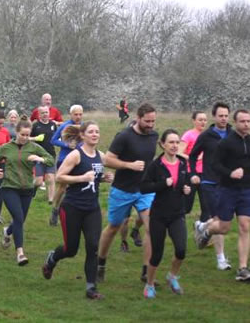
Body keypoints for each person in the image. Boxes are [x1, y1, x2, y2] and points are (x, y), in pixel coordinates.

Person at [42, 122, 113, 300]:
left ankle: (91, 288)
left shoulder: (100, 156)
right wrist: (82, 177)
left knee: (93, 247)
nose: (95, 134)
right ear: (82, 135)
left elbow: (93, 179)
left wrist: (103, 178)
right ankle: (52, 259)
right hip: (72, 208)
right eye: (91, 132)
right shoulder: (76, 155)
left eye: (97, 131)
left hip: (92, 209)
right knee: (71, 249)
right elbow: (59, 177)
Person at [97, 103, 158, 284]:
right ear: (138, 118)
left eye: (153, 121)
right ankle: (100, 263)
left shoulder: (154, 136)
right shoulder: (124, 136)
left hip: (145, 190)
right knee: (113, 227)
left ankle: (146, 271)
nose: (151, 125)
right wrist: (129, 165)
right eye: (147, 121)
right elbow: (108, 160)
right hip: (123, 189)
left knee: (151, 227)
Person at [194, 109, 250, 282]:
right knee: (224, 227)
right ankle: (206, 229)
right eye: (242, 121)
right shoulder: (226, 142)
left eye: (249, 121)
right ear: (236, 122)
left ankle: (242, 268)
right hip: (227, 189)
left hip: (246, 189)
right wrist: (230, 173)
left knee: (245, 226)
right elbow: (214, 165)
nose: (246, 125)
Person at [0, 116, 54, 265]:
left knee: (20, 220)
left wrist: (40, 160)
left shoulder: (34, 147)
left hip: (27, 188)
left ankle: (7, 232)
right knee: (19, 218)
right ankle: (20, 253)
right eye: (22, 135)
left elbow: (51, 159)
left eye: (28, 135)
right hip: (9, 187)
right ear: (17, 132)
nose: (25, 138)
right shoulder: (7, 147)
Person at [140, 129, 193, 298]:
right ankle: (149, 285)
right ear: (162, 144)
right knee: (157, 253)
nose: (174, 145)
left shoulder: (183, 164)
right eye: (171, 142)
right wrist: (163, 183)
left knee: (181, 250)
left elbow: (184, 184)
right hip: (159, 215)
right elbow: (144, 187)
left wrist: (186, 189)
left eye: (177, 142)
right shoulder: (156, 166)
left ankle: (172, 276)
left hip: (177, 213)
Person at [189, 102, 232, 271]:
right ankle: (221, 259)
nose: (223, 118)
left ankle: (202, 226)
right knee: (220, 220)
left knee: (223, 220)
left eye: (226, 116)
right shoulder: (207, 135)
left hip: (229, 183)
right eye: (220, 115)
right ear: (214, 116)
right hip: (209, 182)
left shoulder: (232, 134)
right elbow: (192, 156)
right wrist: (193, 173)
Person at [179, 112, 209, 222]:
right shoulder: (189, 135)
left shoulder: (208, 135)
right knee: (186, 207)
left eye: (205, 120)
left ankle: (202, 233)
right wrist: (193, 157)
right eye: (200, 119)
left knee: (207, 207)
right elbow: (178, 153)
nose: (203, 122)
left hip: (206, 174)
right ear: (193, 121)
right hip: (190, 173)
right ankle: (177, 228)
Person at [31, 105, 58, 221]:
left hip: (50, 155)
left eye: (46, 112)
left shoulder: (53, 125)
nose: (45, 114)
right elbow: (28, 138)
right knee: (38, 181)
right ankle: (33, 190)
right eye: (42, 113)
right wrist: (36, 138)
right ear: (39, 114)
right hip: (38, 156)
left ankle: (51, 200)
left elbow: (58, 137)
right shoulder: (35, 125)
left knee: (51, 178)